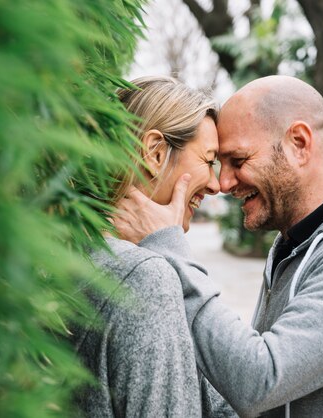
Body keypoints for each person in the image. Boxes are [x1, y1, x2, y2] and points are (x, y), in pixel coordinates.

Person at [113, 75, 323, 417]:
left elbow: (259, 381)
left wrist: (167, 247)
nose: (223, 183)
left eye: (237, 161)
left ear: (299, 143)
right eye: (216, 163)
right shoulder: (291, 247)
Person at [72, 75, 223, 417]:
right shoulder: (146, 276)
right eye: (208, 160)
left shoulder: (80, 249)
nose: (216, 184)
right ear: (155, 153)